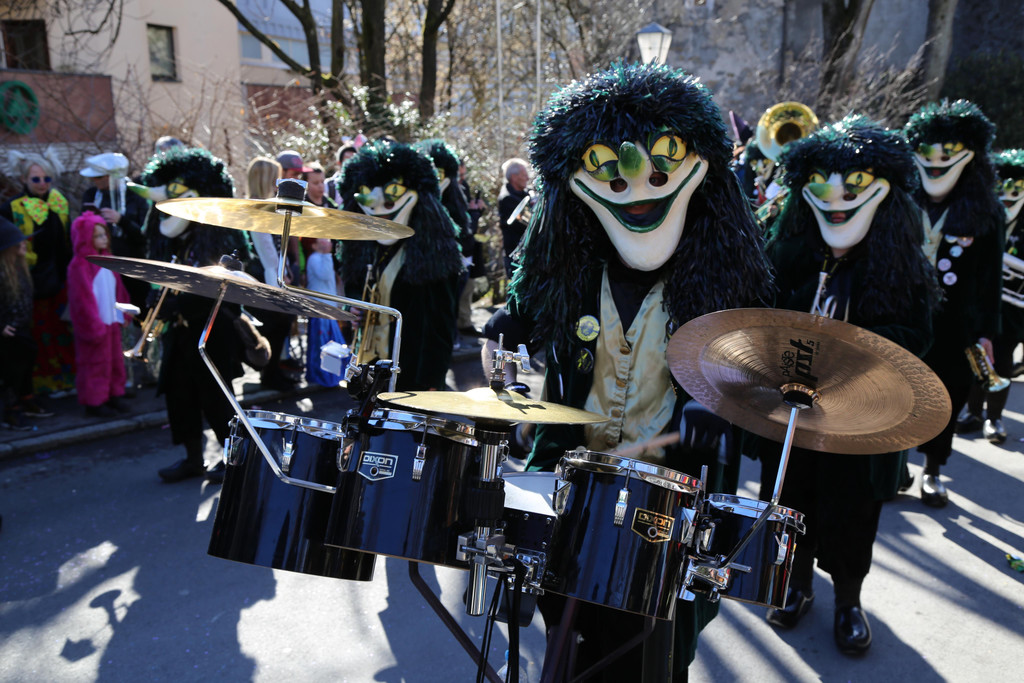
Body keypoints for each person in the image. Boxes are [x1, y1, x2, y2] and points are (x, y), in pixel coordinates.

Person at [481, 61, 774, 681]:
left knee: (649, 652)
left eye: (664, 156)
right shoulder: (569, 270)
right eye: (604, 163)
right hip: (570, 481)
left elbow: (756, 372)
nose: (636, 180)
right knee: (566, 637)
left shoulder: (723, 282)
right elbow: (516, 324)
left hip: (668, 497)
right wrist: (507, 349)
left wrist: (718, 402)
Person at [756, 116, 940, 655]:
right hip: (794, 415)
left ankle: (848, 601)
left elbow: (919, 338)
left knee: (854, 515)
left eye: (855, 185)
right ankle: (797, 586)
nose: (836, 199)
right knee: (792, 503)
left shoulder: (899, 263)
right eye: (820, 184)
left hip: (863, 421)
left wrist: (852, 344)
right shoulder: (788, 254)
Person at [904, 100, 1005, 507]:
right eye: (927, 151)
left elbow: (991, 279)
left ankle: (932, 470)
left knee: (945, 399)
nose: (935, 161)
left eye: (947, 152)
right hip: (902, 316)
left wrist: (987, 333)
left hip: (955, 325)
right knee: (893, 393)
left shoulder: (987, 212)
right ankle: (893, 465)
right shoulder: (901, 199)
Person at [130, 147, 252, 483]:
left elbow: (229, 286)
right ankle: (192, 458)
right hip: (179, 330)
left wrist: (182, 305)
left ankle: (234, 458)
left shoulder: (221, 236)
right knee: (178, 393)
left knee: (216, 395)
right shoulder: (175, 240)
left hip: (212, 329)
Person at [337, 139, 464, 391]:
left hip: (411, 372)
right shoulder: (366, 246)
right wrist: (355, 308)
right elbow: (354, 283)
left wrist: (431, 380)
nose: (378, 204)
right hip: (369, 365)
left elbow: (441, 324)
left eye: (393, 191)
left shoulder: (433, 253)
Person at [959, 148, 1024, 444]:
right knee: (977, 355)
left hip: (1013, 309)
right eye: (1001, 187)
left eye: (1016, 188)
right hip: (981, 302)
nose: (1007, 195)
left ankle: (994, 417)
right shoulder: (983, 216)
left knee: (1003, 359)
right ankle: (973, 412)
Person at [1, 148, 73, 404]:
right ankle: (38, 387)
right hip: (27, 282)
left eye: (46, 178)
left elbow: (66, 243)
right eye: (36, 179)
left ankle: (65, 381)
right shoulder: (11, 208)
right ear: (23, 179)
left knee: (61, 330)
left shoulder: (59, 203)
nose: (42, 183)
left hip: (59, 279)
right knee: (37, 335)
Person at [66, 210, 133, 418]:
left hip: (111, 320)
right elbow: (81, 299)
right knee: (94, 363)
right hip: (95, 324)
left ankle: (113, 393)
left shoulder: (107, 259)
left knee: (114, 360)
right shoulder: (80, 265)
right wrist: (92, 325)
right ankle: (94, 400)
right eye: (97, 236)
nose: (104, 238)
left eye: (104, 234)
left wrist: (124, 312)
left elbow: (118, 289)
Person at [244, 156, 301, 391]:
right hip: (265, 277)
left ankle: (273, 372)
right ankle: (269, 374)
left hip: (273, 272)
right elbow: (266, 249)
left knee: (279, 326)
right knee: (274, 326)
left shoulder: (266, 206)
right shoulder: (257, 209)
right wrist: (279, 278)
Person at [415, 139, 475, 345]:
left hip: (450, 261)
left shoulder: (454, 194)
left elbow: (462, 226)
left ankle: (449, 338)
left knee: (447, 304)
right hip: (423, 261)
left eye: (439, 173)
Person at [79, 152, 151, 311]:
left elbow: (145, 236)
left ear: (111, 177)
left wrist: (122, 220)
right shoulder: (91, 195)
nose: (94, 180)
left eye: (98, 177)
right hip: (101, 267)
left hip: (133, 268)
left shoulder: (136, 196)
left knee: (137, 309)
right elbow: (81, 230)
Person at [0, 216, 37, 431]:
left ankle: (26, 399)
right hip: (8, 332)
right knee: (11, 371)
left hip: (22, 327)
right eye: (19, 242)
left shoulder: (20, 268)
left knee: (26, 364)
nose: (24, 244)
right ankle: (11, 411)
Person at [304, 238, 346, 387]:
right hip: (321, 310)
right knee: (326, 345)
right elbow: (325, 275)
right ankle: (325, 378)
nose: (328, 243)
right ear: (315, 245)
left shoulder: (318, 258)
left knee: (329, 345)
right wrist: (328, 255)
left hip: (325, 309)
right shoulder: (315, 258)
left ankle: (330, 376)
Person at [497, 157, 531, 277]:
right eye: (524, 175)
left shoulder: (522, 193)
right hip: (516, 257)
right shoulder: (507, 198)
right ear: (514, 177)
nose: (527, 178)